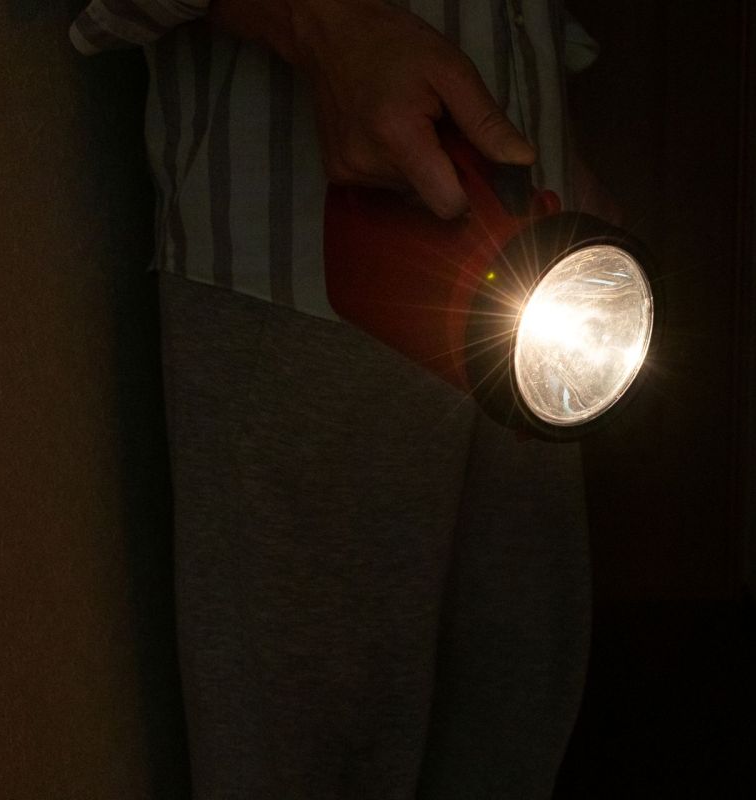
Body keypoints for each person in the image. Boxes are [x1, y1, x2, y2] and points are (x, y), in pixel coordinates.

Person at [69, 0, 599, 796]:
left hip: (538, 280)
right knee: (309, 757)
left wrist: (558, 133)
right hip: (303, 278)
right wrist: (322, 23)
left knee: (509, 713)